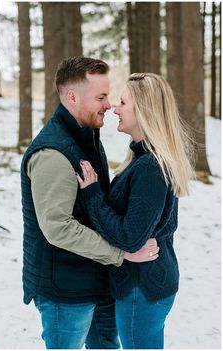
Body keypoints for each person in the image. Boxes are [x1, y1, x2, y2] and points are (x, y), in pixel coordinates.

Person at [20, 57, 159, 349]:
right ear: (72, 97)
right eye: (101, 97)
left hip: (98, 281)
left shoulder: (88, 136)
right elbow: (58, 228)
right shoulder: (52, 153)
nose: (108, 105)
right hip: (66, 292)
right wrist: (121, 254)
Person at [76, 73, 195, 349]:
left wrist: (93, 196)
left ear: (144, 110)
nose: (115, 110)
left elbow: (130, 237)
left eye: (123, 103)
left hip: (141, 290)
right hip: (148, 284)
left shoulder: (151, 167)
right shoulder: (143, 159)